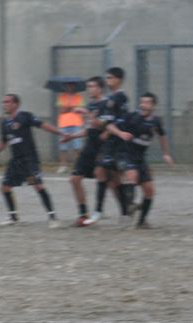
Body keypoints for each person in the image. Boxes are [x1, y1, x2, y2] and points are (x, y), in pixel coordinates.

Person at [0, 93, 65, 227]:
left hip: (29, 160)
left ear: (15, 104)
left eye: (7, 102)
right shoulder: (4, 123)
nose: (4, 104)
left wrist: (61, 133)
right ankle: (13, 217)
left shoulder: (25, 116)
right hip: (16, 162)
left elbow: (43, 125)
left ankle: (53, 218)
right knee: (5, 187)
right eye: (3, 102)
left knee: (37, 186)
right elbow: (4, 142)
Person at [105, 92, 174, 228]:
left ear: (153, 106)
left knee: (149, 191)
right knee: (132, 175)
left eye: (147, 103)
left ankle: (142, 222)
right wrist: (120, 133)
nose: (143, 105)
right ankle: (129, 207)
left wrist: (166, 154)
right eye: (142, 102)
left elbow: (162, 136)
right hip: (126, 154)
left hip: (140, 157)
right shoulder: (132, 117)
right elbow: (110, 126)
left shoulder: (156, 121)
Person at [67, 76, 110, 226]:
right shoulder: (91, 105)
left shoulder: (106, 104)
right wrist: (72, 136)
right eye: (88, 87)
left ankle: (110, 210)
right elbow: (89, 129)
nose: (89, 89)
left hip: (103, 146)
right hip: (89, 146)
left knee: (107, 179)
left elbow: (102, 126)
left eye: (92, 86)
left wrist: (86, 113)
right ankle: (83, 215)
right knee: (74, 179)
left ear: (100, 88)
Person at [97, 67, 132, 220]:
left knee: (120, 175)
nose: (107, 80)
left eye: (110, 77)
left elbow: (119, 121)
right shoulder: (112, 98)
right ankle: (122, 210)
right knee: (107, 175)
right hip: (111, 142)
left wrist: (111, 131)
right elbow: (106, 121)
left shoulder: (119, 97)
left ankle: (127, 208)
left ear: (119, 80)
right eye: (106, 77)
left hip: (118, 142)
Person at [56, 81, 84, 173]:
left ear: (74, 86)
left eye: (71, 85)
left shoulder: (79, 97)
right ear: (65, 86)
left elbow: (80, 110)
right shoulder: (61, 97)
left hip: (76, 123)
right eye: (67, 85)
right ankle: (63, 166)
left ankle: (77, 166)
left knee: (77, 146)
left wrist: (68, 108)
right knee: (63, 147)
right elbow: (61, 110)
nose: (69, 87)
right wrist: (71, 108)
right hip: (63, 123)